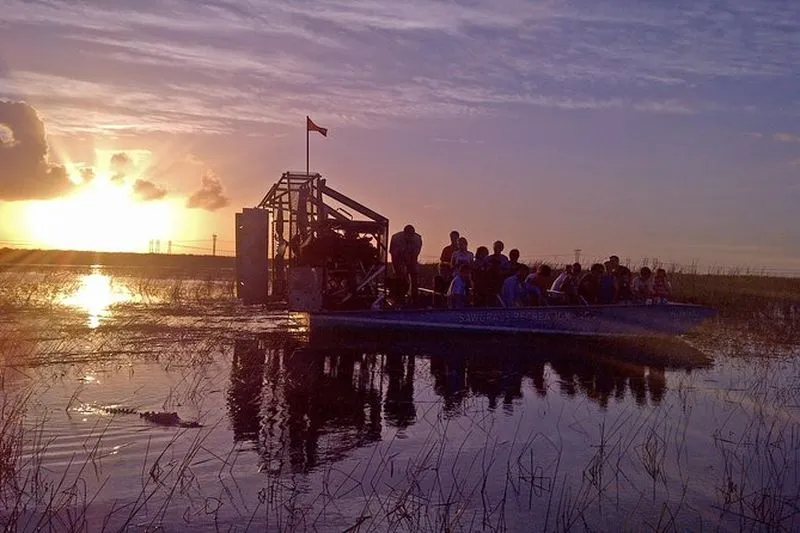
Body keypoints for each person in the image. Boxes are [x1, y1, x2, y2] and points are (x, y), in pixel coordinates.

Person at [389, 224, 422, 303]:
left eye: (411, 235)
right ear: (404, 233)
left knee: (414, 275)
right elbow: (393, 253)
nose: (410, 237)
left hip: (411, 257)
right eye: (408, 235)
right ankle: (399, 295)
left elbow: (415, 255)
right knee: (400, 275)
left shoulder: (418, 239)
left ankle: (414, 296)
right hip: (397, 258)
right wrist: (399, 268)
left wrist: (409, 263)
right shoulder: (396, 238)